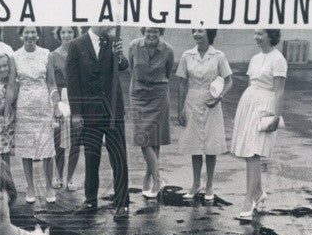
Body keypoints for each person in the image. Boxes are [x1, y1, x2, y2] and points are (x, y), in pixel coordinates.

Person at [65, 24, 131, 220]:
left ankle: (122, 203)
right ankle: (90, 200)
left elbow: (122, 65)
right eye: (105, 19)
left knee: (118, 157)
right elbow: (72, 80)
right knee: (92, 157)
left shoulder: (113, 41)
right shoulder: (77, 45)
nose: (109, 24)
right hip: (89, 111)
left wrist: (119, 55)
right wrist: (76, 112)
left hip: (113, 109)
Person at [229, 29, 287, 221]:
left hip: (265, 106)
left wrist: (276, 117)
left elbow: (279, 91)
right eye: (255, 33)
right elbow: (252, 82)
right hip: (250, 103)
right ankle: (258, 192)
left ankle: (250, 198)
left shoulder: (278, 59)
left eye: (260, 33)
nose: (256, 37)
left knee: (254, 152)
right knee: (248, 152)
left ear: (270, 36)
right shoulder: (255, 58)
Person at [175, 28, 232, 204]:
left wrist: (219, 98)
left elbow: (229, 81)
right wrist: (180, 109)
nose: (197, 35)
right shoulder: (187, 55)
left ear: (209, 34)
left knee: (210, 145)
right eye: (194, 31)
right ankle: (195, 184)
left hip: (212, 102)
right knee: (194, 144)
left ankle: (209, 185)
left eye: (200, 31)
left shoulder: (218, 56)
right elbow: (182, 83)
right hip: (192, 101)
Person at [12, 25, 60, 205]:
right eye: (27, 32)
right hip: (24, 104)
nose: (30, 35)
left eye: (33, 32)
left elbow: (52, 84)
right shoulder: (15, 56)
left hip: (43, 105)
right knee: (26, 149)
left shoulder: (46, 53)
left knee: (47, 149)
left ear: (38, 35)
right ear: (21, 35)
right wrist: (8, 108)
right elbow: (11, 85)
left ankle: (48, 187)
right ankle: (30, 187)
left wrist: (55, 105)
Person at [128, 26, 175, 199]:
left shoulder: (168, 49)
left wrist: (156, 84)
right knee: (143, 138)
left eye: (155, 31)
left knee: (155, 139)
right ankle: (158, 179)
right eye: (148, 31)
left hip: (158, 95)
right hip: (139, 94)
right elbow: (130, 68)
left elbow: (168, 72)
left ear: (161, 32)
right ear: (143, 31)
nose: (151, 34)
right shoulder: (134, 45)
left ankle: (149, 176)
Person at [48, 26, 82, 190]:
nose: (67, 35)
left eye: (70, 32)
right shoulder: (53, 55)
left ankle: (70, 179)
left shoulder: (81, 52)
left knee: (76, 141)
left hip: (77, 98)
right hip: (60, 99)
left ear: (75, 34)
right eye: (63, 32)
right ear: (59, 34)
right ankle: (58, 176)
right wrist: (55, 104)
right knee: (58, 141)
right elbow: (51, 82)